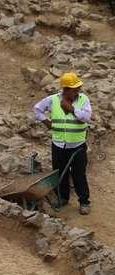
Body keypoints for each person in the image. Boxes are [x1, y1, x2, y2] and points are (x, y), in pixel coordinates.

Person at [34, 72, 92, 215]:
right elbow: (37, 109)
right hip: (59, 145)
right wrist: (46, 121)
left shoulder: (83, 99)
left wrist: (71, 108)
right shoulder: (52, 100)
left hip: (77, 146)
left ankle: (84, 202)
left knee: (79, 174)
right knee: (60, 174)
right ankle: (63, 198)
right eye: (74, 89)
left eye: (78, 88)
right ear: (65, 89)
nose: (77, 91)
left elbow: (86, 117)